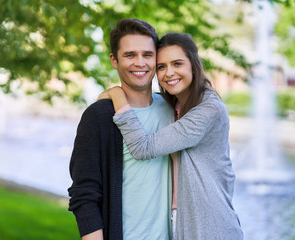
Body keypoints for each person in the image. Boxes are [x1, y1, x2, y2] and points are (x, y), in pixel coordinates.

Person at [98, 33, 244, 240]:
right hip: (178, 223)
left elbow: (142, 148)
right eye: (161, 66)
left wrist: (117, 95)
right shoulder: (175, 106)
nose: (169, 73)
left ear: (193, 65)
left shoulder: (209, 108)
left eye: (177, 63)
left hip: (211, 227)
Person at [68, 18, 174, 240]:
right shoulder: (98, 116)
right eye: (129, 55)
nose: (140, 63)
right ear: (114, 60)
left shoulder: (173, 110)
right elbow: (84, 195)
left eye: (147, 55)